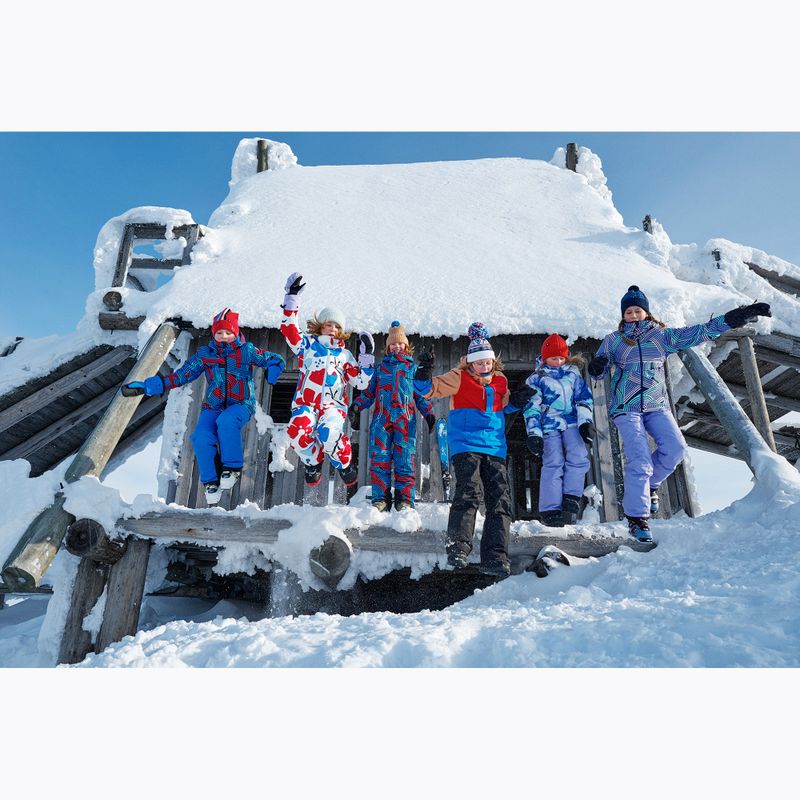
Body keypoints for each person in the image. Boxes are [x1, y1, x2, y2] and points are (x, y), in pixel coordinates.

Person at [588, 285, 771, 542]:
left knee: (675, 449)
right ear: (623, 315)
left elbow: (700, 332)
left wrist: (735, 317)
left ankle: (650, 485)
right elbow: (598, 371)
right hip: (626, 408)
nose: (632, 314)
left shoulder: (662, 337)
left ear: (646, 313)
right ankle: (637, 520)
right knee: (639, 460)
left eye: (637, 310)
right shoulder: (614, 340)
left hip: (656, 405)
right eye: (628, 311)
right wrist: (598, 366)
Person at [123, 308, 285, 505]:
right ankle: (211, 481)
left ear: (235, 333)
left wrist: (274, 370)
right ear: (214, 334)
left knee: (226, 421)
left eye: (228, 332)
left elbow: (274, 359)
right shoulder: (205, 355)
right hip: (213, 406)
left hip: (241, 404)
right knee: (200, 436)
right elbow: (182, 375)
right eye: (219, 333)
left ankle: (231, 468)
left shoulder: (245, 351)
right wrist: (150, 385)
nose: (223, 336)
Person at [414, 322, 535, 578]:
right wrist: (424, 370)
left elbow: (504, 408)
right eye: (478, 362)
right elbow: (427, 390)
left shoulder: (501, 381)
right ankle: (458, 547)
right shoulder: (459, 377)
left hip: (495, 446)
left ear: (493, 361)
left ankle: (495, 556)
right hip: (466, 443)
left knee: (500, 499)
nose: (483, 366)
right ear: (470, 362)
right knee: (469, 491)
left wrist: (518, 401)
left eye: (487, 362)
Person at [280, 272, 375, 502]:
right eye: (328, 324)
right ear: (320, 326)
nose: (332, 328)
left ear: (340, 330)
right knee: (296, 430)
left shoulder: (344, 355)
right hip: (306, 405)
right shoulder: (308, 346)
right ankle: (313, 462)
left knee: (328, 433)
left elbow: (361, 381)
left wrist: (366, 358)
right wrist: (291, 298)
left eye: (336, 325)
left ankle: (344, 463)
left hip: (333, 407)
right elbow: (289, 332)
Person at [348, 321, 435, 512]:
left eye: (400, 343)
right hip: (381, 421)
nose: (397, 347)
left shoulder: (412, 369)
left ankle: (404, 499)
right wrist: (357, 405)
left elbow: (419, 395)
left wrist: (428, 413)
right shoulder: (380, 369)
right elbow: (369, 393)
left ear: (406, 346)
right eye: (393, 344)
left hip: (405, 421)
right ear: (388, 347)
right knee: (380, 459)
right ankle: (381, 499)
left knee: (404, 459)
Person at [523, 333, 594, 527]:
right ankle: (550, 509)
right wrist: (534, 433)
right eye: (554, 358)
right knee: (553, 462)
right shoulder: (536, 379)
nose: (558, 361)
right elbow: (532, 407)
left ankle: (571, 496)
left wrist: (585, 422)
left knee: (579, 456)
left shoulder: (573, 374)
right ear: (545, 357)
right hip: (549, 424)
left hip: (572, 422)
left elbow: (583, 398)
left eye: (561, 358)